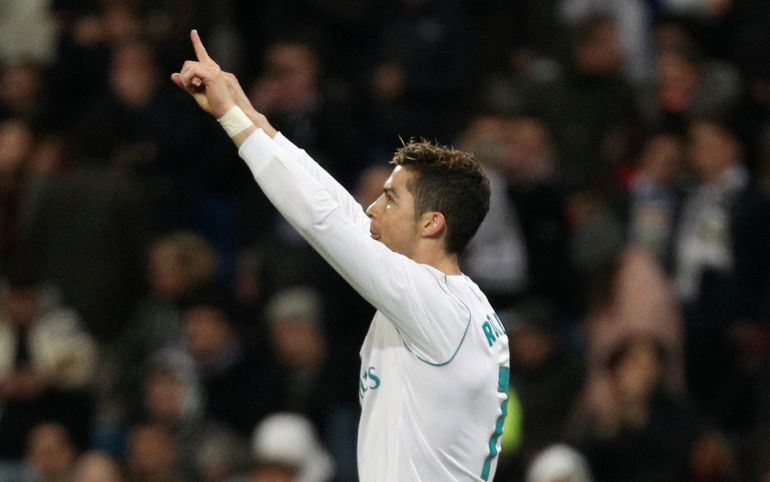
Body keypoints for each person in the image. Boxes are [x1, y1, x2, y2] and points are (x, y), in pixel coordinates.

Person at [171, 30, 510, 481]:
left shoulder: (434, 305)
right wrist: (248, 113)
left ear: (432, 223)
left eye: (390, 199)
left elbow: (324, 221)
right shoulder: (449, 304)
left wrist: (235, 120)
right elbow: (339, 209)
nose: (372, 208)